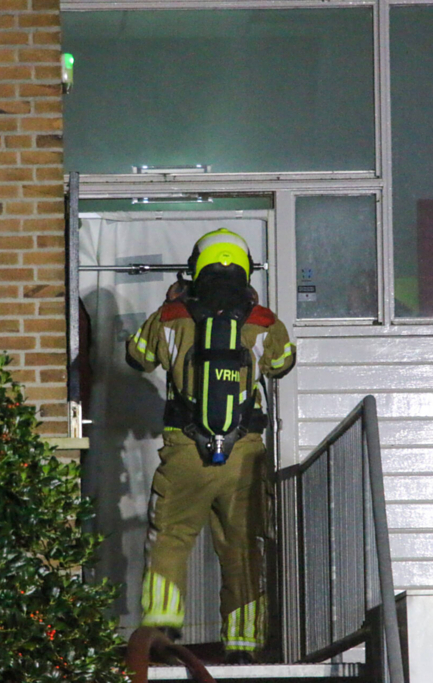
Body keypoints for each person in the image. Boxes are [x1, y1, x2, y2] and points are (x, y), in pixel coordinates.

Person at [125, 228, 296, 664]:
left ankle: (161, 633)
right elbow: (282, 364)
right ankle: (243, 645)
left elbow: (138, 356)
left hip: (185, 450)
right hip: (245, 455)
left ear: (197, 266)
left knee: (171, 537)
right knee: (242, 547)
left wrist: (171, 302)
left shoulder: (172, 315)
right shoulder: (261, 320)